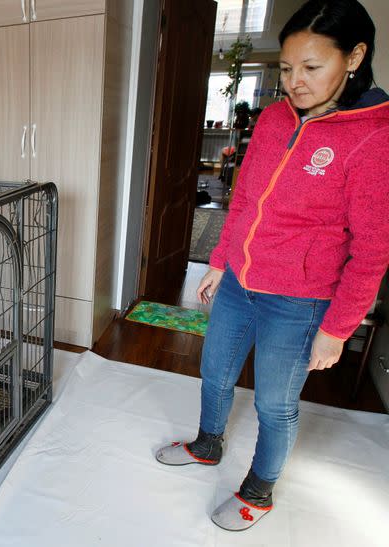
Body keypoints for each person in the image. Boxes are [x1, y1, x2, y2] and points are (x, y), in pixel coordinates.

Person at [155, 0, 389, 532]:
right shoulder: (274, 117)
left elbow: (373, 250)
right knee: (214, 372)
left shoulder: (375, 137)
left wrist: (336, 329)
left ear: (354, 57)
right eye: (286, 68)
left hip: (300, 301)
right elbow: (243, 201)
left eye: (311, 68)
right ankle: (207, 445)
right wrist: (220, 260)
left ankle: (258, 491)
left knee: (274, 403)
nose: (294, 83)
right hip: (240, 280)